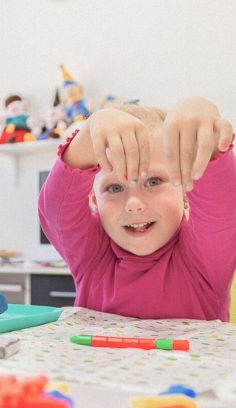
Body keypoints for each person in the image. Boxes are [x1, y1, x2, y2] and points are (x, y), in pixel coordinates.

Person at [39, 98, 236, 321]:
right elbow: (56, 211)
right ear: (94, 200)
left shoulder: (203, 259)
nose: (133, 204)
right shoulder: (93, 255)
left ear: (184, 190)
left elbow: (223, 209)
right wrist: (89, 132)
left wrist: (204, 135)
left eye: (153, 181)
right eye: (114, 187)